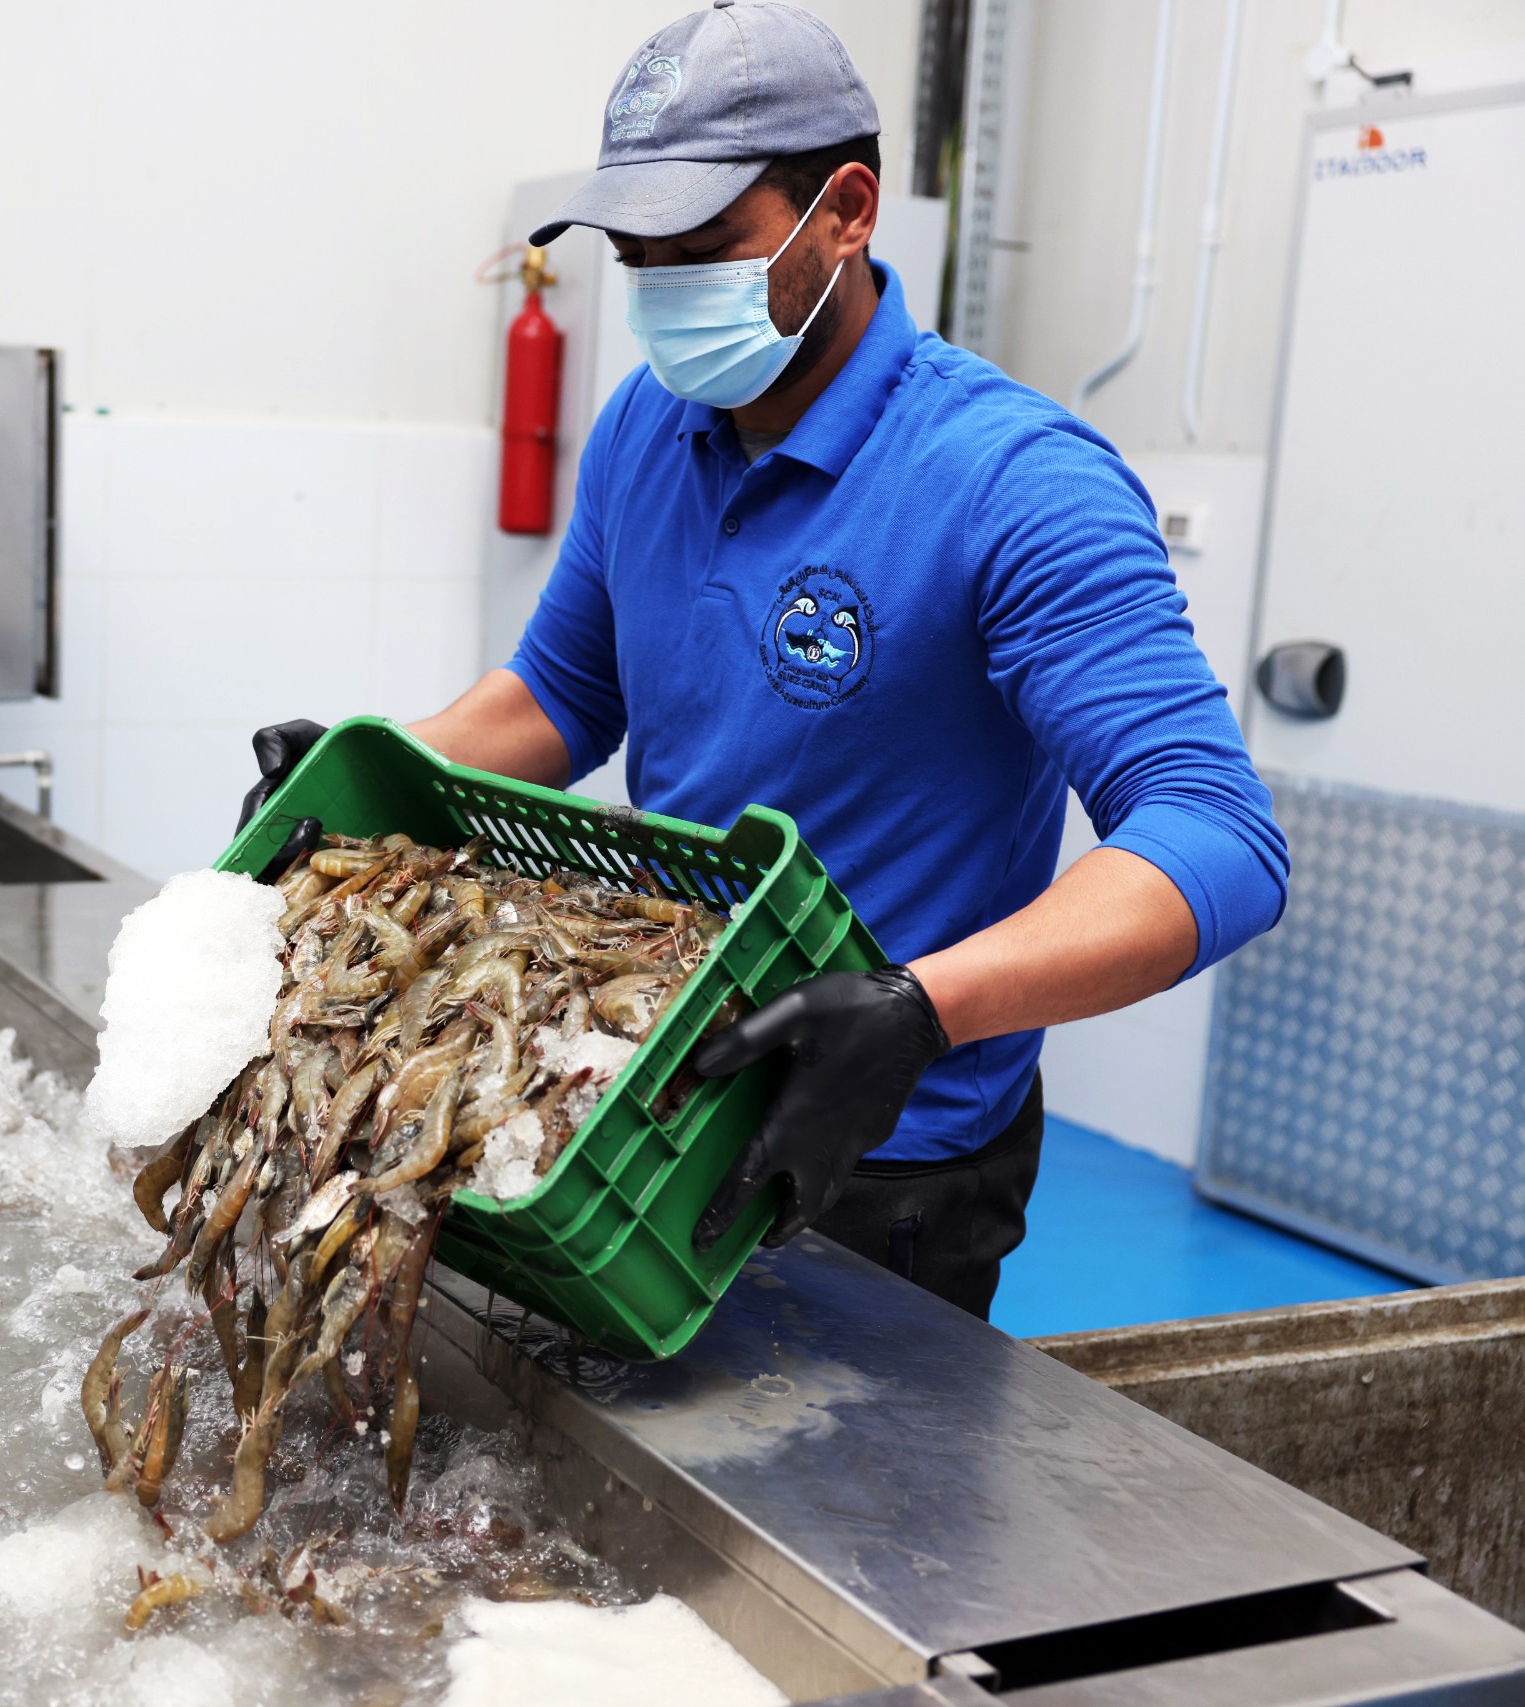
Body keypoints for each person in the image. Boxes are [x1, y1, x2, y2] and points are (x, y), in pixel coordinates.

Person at [237, 0, 1285, 1319]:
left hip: (875, 1151)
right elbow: (564, 695)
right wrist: (362, 769)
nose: (668, 288)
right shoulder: (646, 428)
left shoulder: (1013, 483)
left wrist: (919, 1008)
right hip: (647, 1097)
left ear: (847, 209)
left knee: (835, 1518)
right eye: (640, 255)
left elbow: (1218, 838)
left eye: (708, 246)